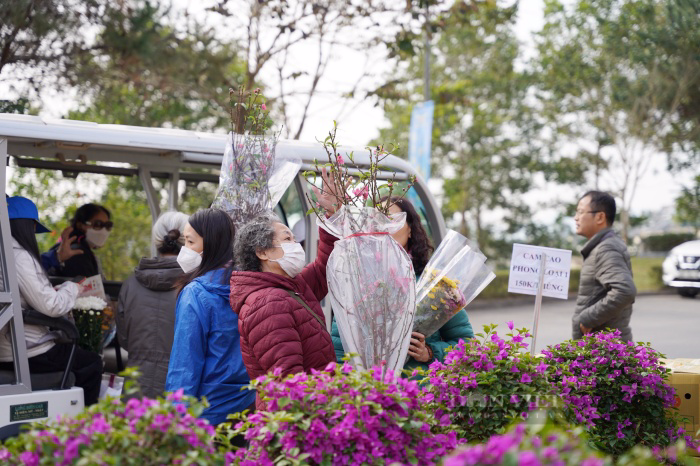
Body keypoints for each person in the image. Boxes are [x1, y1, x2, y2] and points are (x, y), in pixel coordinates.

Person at [230, 169, 341, 410]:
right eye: (287, 239)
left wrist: (331, 214)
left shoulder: (291, 287)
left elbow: (325, 267)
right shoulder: (269, 304)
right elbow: (289, 383)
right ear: (263, 252)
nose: (296, 246)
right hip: (299, 423)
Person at [330, 196, 474, 373]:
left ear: (411, 230)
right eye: (376, 221)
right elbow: (339, 348)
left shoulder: (435, 286)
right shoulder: (357, 282)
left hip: (421, 393)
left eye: (391, 219)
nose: (383, 226)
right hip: (369, 392)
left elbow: (466, 344)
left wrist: (430, 352)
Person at [0, 197, 102, 405]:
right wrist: (71, 288)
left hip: (7, 348)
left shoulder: (5, 254)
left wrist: (53, 290)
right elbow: (52, 306)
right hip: (28, 352)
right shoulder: (19, 256)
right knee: (92, 363)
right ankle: (86, 428)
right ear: (25, 226)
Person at [165, 209, 254, 426]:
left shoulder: (196, 294)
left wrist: (175, 419)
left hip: (208, 412)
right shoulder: (250, 285)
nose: (185, 250)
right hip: (249, 406)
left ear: (212, 244)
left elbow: (185, 365)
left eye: (190, 242)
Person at [116, 211, 188, 399]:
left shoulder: (130, 283)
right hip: (180, 390)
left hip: (135, 388)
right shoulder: (195, 285)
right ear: (189, 240)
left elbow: (124, 338)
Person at [572, 191, 636, 342]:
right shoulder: (602, 246)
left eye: (580, 212)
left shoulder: (606, 249)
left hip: (606, 352)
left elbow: (625, 291)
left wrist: (587, 318)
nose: (576, 218)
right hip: (605, 349)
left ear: (600, 217)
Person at [41, 203, 113, 278]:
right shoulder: (76, 253)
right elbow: (87, 288)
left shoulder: (84, 252)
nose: (104, 230)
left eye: (108, 225)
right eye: (98, 224)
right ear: (80, 225)